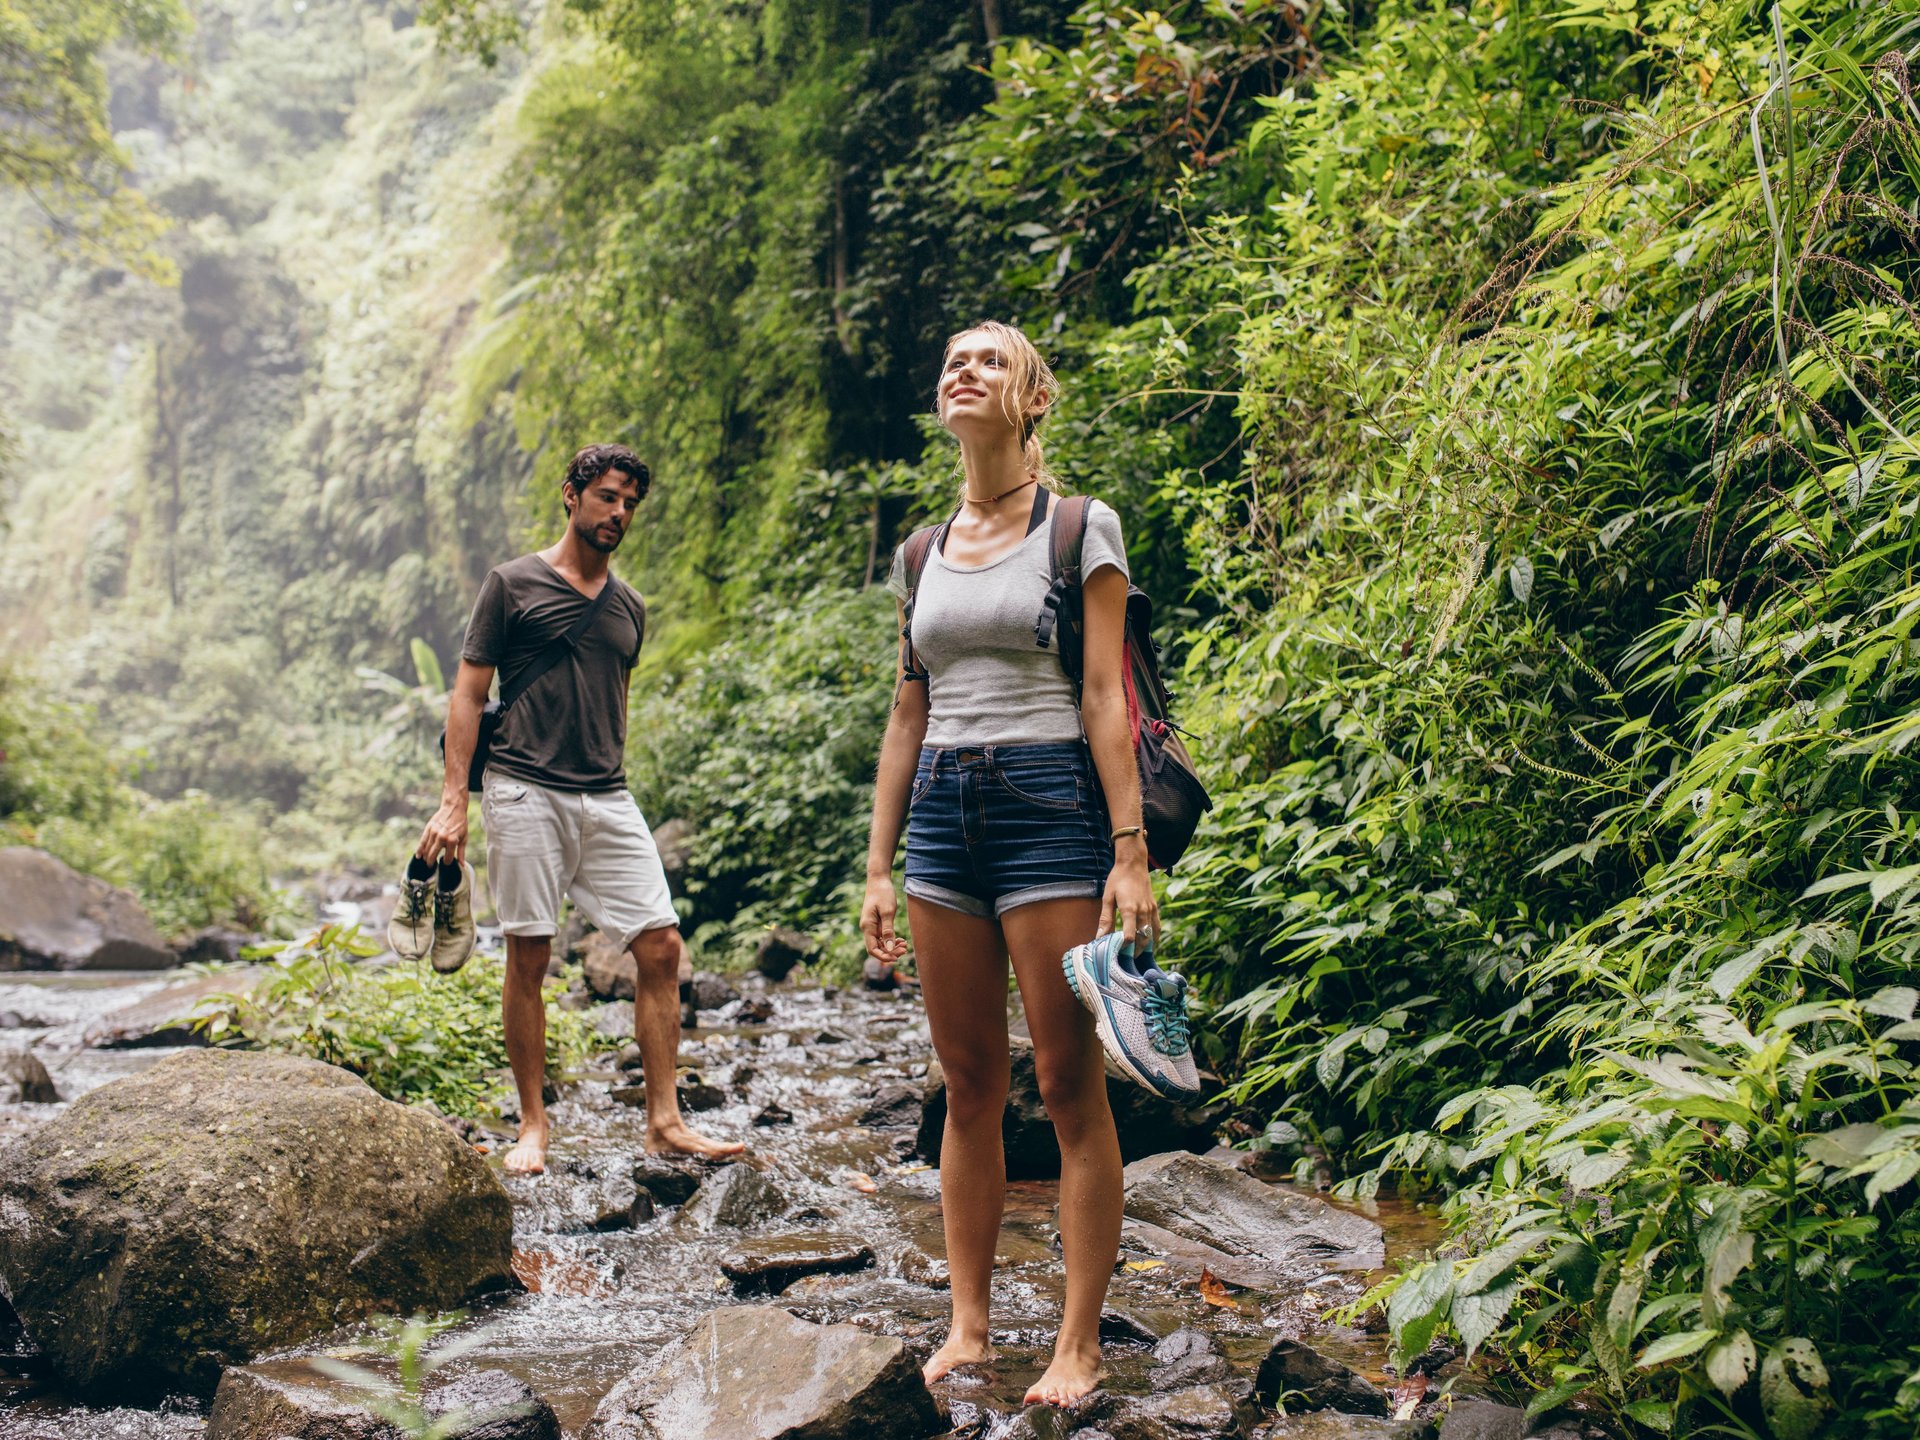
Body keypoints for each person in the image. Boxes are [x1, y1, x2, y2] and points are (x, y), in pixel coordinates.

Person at [860, 321, 1156, 1407]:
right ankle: (970, 1323)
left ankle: (1077, 1343)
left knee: (1071, 1085)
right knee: (971, 1085)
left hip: (1048, 810)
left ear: (1035, 399)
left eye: (988, 360)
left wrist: (1128, 852)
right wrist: (879, 864)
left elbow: (1103, 697)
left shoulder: (1081, 527)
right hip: (941, 813)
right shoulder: (920, 550)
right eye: (951, 361)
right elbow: (907, 709)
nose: (963, 371)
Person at [415, 442, 744, 1175]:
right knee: (530, 953)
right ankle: (533, 1125)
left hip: (606, 794)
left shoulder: (630, 608)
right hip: (525, 787)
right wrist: (453, 803)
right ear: (572, 495)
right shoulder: (513, 584)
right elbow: (469, 694)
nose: (619, 513)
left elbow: (615, 697)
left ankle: (664, 1121)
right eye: (607, 497)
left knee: (661, 947)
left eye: (630, 503)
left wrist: (609, 765)